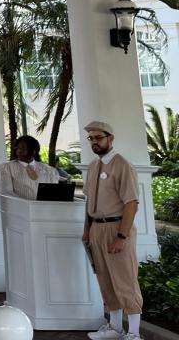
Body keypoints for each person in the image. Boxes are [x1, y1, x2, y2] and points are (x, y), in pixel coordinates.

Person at [81, 121, 144, 340]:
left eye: (98, 138)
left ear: (110, 138)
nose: (95, 142)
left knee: (125, 279)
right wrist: (87, 229)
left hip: (117, 228)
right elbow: (89, 202)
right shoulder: (93, 166)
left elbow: (131, 204)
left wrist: (121, 236)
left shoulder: (122, 165)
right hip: (97, 229)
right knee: (105, 280)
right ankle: (115, 329)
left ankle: (134, 333)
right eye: (91, 139)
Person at [0, 135, 62, 200]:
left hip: (44, 207)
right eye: (17, 148)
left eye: (23, 148)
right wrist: (28, 204)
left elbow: (53, 193)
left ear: (33, 151)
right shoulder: (8, 167)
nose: (19, 151)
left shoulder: (49, 170)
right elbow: (6, 192)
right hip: (20, 207)